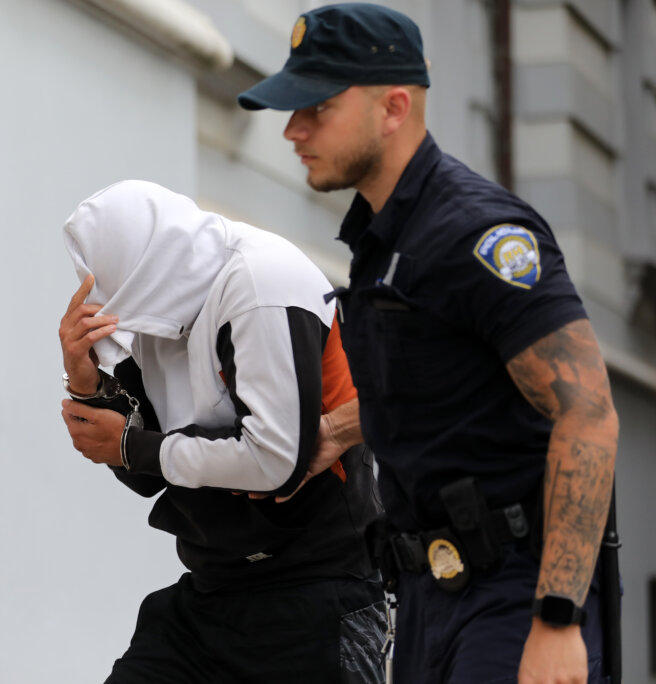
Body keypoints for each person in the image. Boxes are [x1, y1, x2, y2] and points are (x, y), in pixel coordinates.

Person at [237, 4, 619, 684]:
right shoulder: (383, 239)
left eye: (317, 108)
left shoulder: (478, 234)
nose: (293, 129)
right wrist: (334, 433)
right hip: (425, 597)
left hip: (513, 598)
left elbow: (587, 414)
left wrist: (557, 618)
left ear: (393, 107)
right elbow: (439, 385)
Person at [58, 179, 385, 683]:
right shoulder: (159, 307)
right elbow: (145, 472)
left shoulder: (261, 282)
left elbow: (275, 459)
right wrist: (87, 384)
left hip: (316, 587)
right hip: (212, 590)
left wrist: (130, 446)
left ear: (146, 260)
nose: (110, 302)